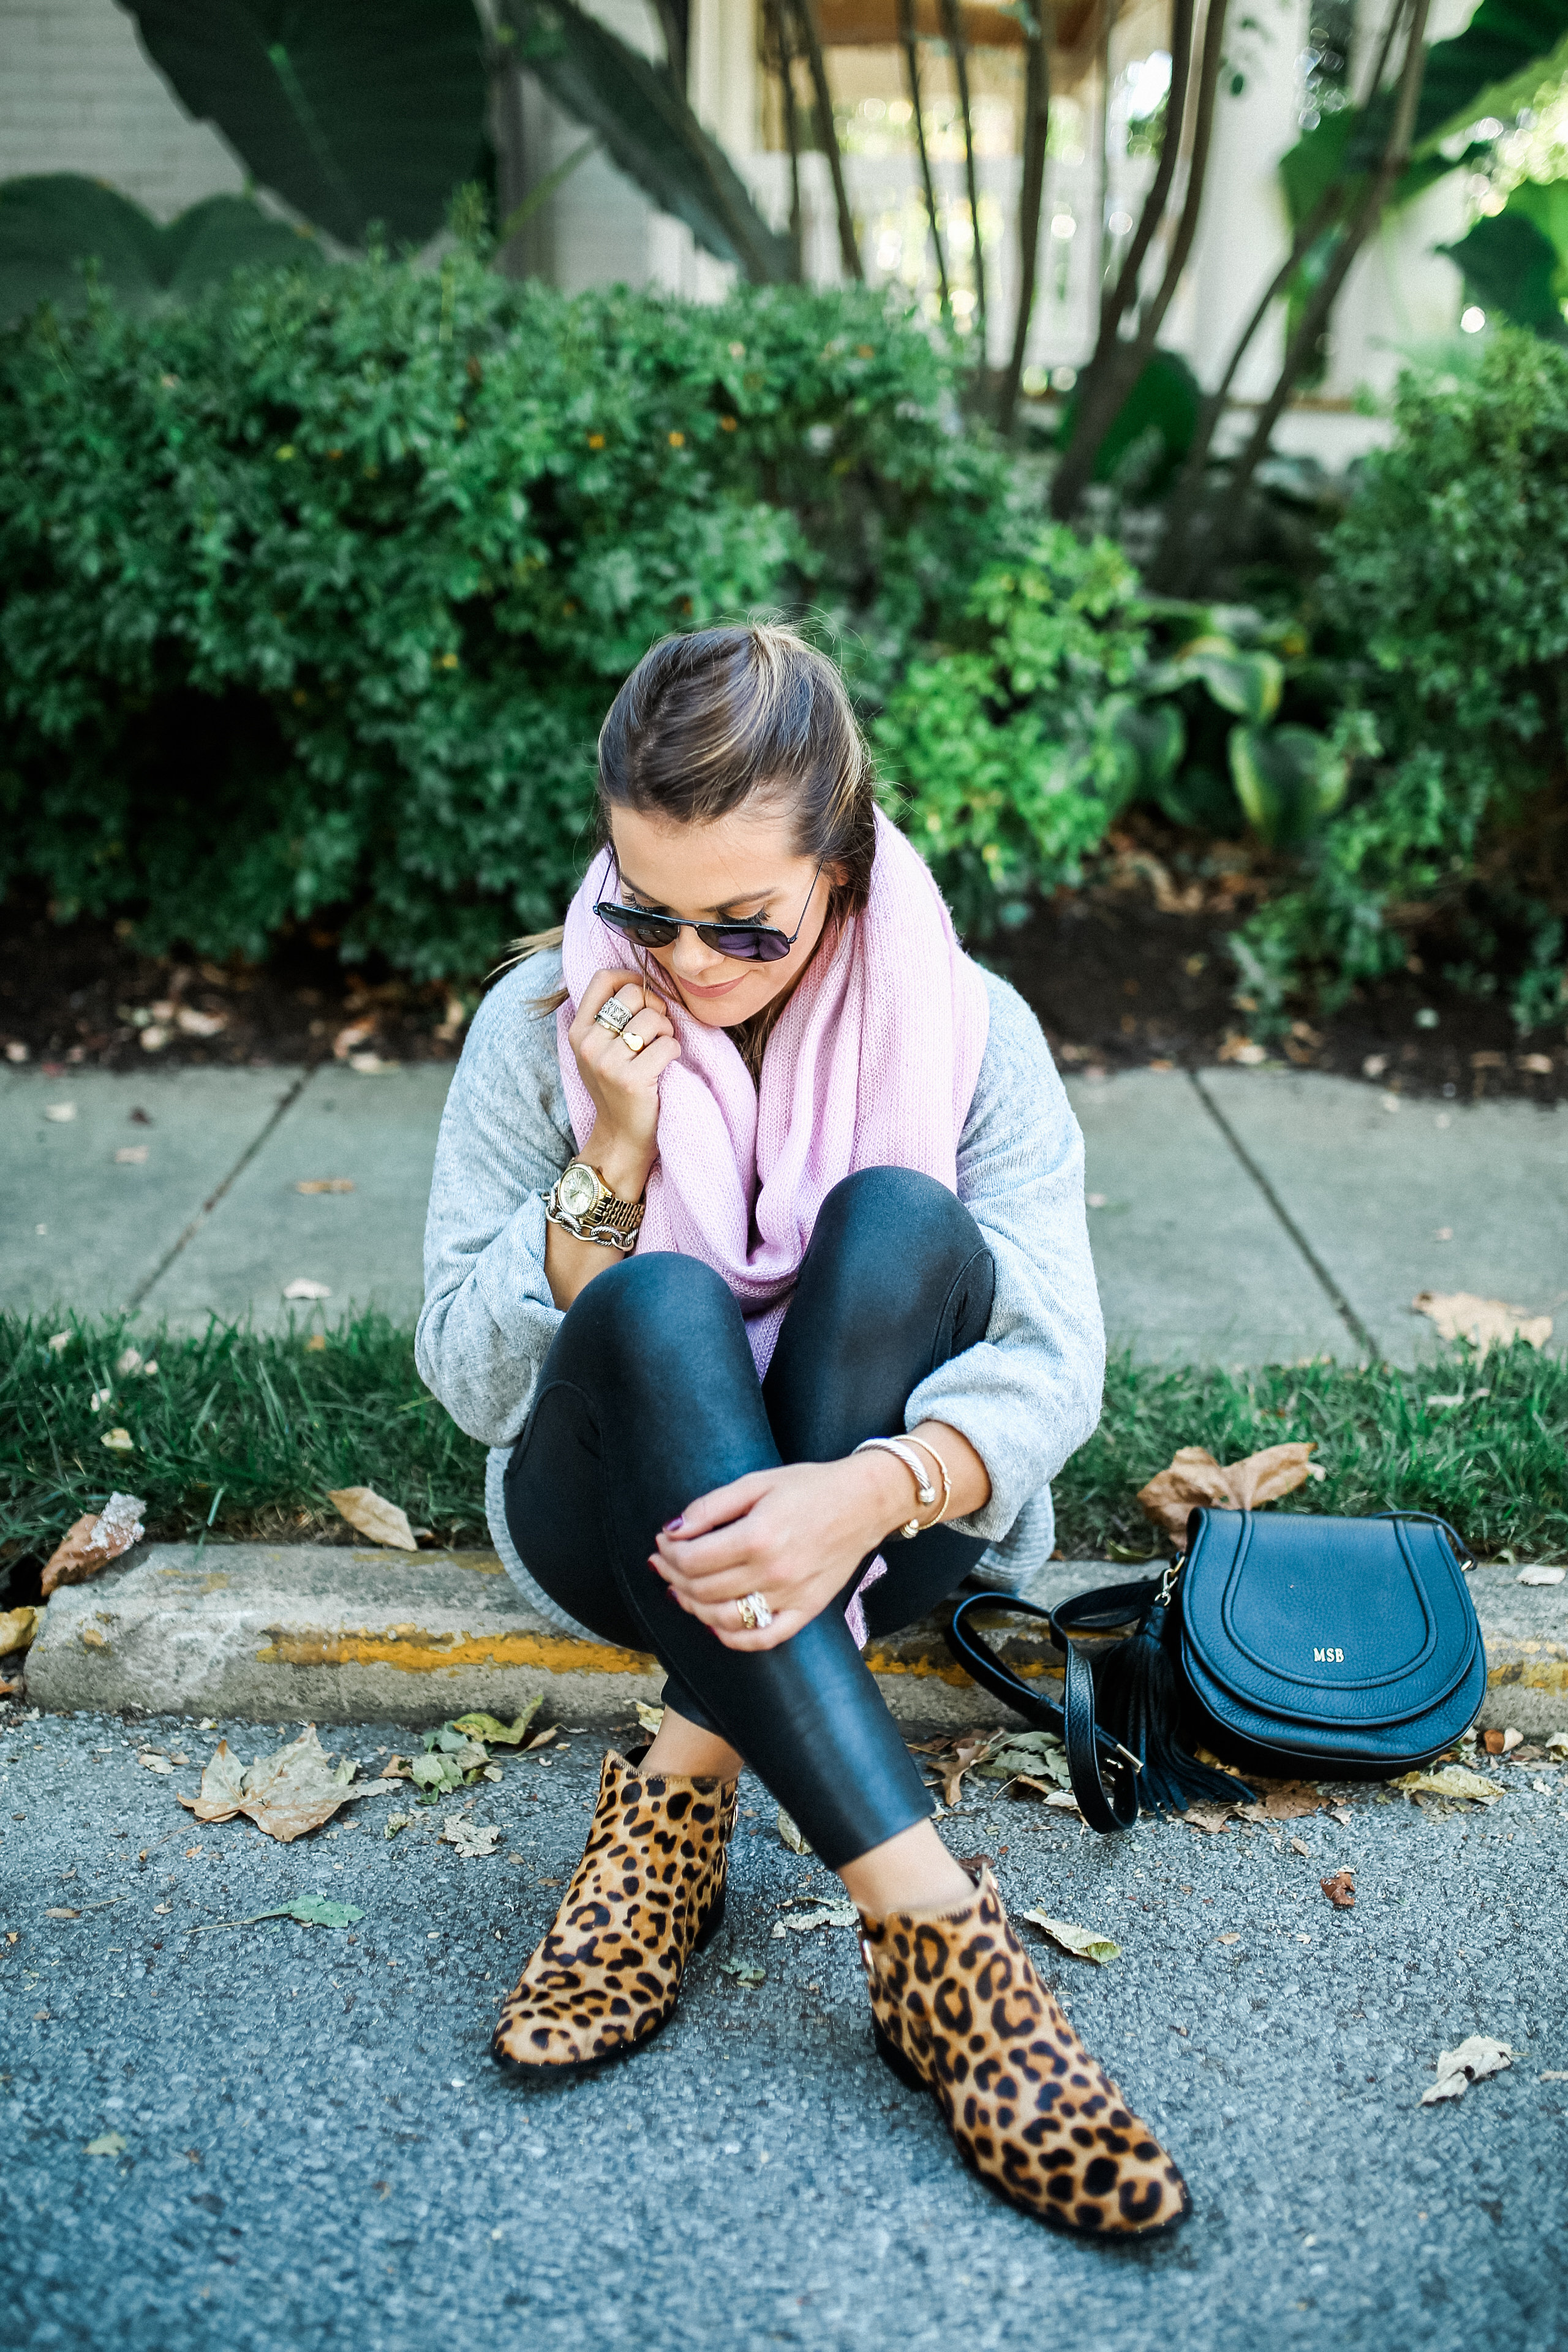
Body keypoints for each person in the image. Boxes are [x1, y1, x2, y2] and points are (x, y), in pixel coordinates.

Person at [417, 624, 1188, 2238]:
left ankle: (681, 1787)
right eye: (644, 905)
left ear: (838, 872)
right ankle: (934, 1936)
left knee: (901, 1221)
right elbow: (478, 1385)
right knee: (653, 1310)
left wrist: (867, 1489)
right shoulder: (546, 1023)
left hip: (896, 1530)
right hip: (616, 1522)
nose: (682, 961)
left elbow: (1058, 1364)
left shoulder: (972, 1028)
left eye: (740, 925)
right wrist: (611, 1160)